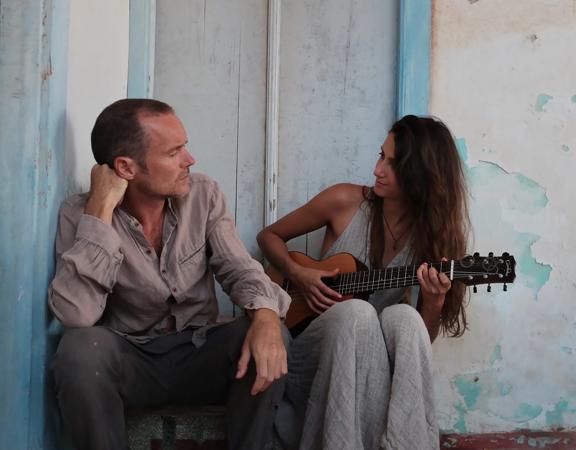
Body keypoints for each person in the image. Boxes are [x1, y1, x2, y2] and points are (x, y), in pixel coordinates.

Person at [48, 99, 291, 450]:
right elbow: (76, 314)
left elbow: (239, 268)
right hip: (134, 362)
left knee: (271, 333)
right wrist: (100, 212)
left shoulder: (203, 195)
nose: (189, 160)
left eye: (185, 147)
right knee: (79, 351)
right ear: (126, 168)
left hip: (201, 352)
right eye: (174, 152)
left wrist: (267, 316)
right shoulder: (80, 214)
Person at [257, 115, 470, 450]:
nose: (377, 170)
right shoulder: (345, 201)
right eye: (379, 156)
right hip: (313, 356)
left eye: (393, 164)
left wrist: (434, 301)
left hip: (372, 372)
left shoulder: (430, 238)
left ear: (421, 175)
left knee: (404, 318)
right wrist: (297, 273)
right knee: (357, 312)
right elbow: (269, 236)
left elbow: (418, 346)